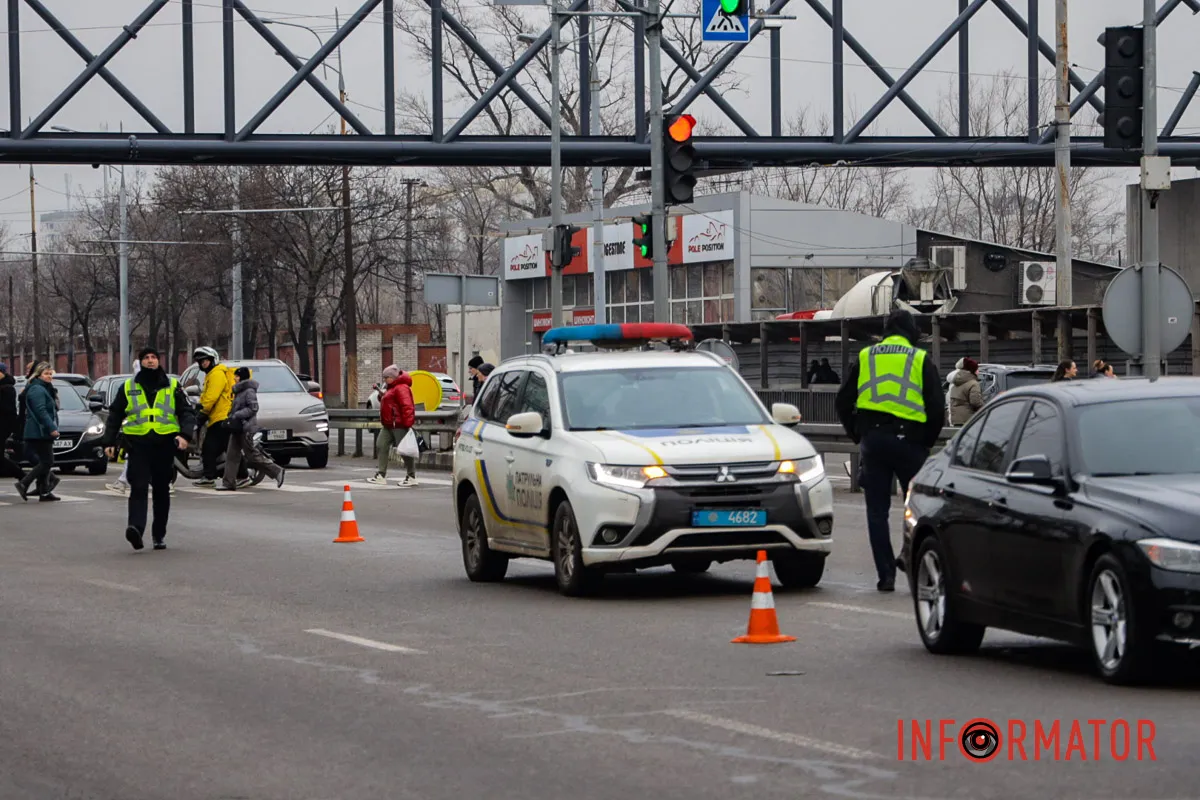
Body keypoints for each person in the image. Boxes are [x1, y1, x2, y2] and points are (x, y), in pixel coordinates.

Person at [836, 310, 945, 592]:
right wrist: (926, 442)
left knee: (877, 511)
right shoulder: (920, 358)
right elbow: (935, 408)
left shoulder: (866, 356)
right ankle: (909, 554)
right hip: (911, 442)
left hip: (874, 440)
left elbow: (843, 401)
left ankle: (886, 576)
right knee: (920, 507)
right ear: (912, 332)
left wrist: (857, 434)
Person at [102, 347, 196, 551]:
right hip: (138, 444)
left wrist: (185, 435)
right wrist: (109, 442)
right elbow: (115, 414)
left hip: (164, 444)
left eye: (154, 357)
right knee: (139, 487)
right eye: (146, 358)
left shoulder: (172, 385)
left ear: (159, 361)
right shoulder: (128, 386)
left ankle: (158, 535)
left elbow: (187, 412)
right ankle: (135, 528)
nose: (151, 361)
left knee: (162, 491)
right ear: (140, 362)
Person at [216, 367, 285, 491]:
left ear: (241, 377)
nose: (234, 378)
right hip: (237, 427)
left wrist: (237, 415)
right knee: (232, 455)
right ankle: (228, 483)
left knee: (252, 455)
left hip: (246, 427)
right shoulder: (239, 391)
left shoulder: (248, 391)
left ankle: (277, 471)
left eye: (236, 376)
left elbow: (253, 408)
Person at [15, 362, 61, 502]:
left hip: (40, 430)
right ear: (38, 375)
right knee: (47, 461)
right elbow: (40, 411)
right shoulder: (37, 389)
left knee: (44, 461)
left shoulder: (44, 388)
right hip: (39, 430)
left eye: (50, 374)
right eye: (46, 374)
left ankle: (44, 492)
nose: (49, 377)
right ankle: (24, 483)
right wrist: (51, 428)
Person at [192, 346, 236, 487]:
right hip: (218, 417)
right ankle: (241, 475)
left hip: (220, 418)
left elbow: (211, 398)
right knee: (228, 449)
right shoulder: (212, 374)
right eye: (200, 362)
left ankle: (209, 476)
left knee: (209, 448)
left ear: (213, 360)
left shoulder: (216, 374)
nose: (202, 364)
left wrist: (202, 413)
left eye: (205, 361)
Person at [367, 365, 418, 487]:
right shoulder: (392, 387)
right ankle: (381, 474)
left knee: (404, 451)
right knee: (381, 444)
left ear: (393, 377)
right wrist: (381, 395)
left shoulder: (401, 388)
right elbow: (389, 401)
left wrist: (407, 423)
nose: (385, 380)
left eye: (387, 377)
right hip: (389, 424)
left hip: (399, 424)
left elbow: (407, 406)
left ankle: (411, 476)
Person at [0, 362, 24, 480]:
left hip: (3, 427)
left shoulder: (7, 388)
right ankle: (22, 476)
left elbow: (8, 410)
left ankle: (22, 476)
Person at [948, 357, 984, 426]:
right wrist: (984, 408)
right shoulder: (973, 383)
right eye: (976, 369)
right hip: (968, 420)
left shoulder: (955, 383)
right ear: (972, 370)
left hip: (956, 420)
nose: (978, 372)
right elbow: (975, 402)